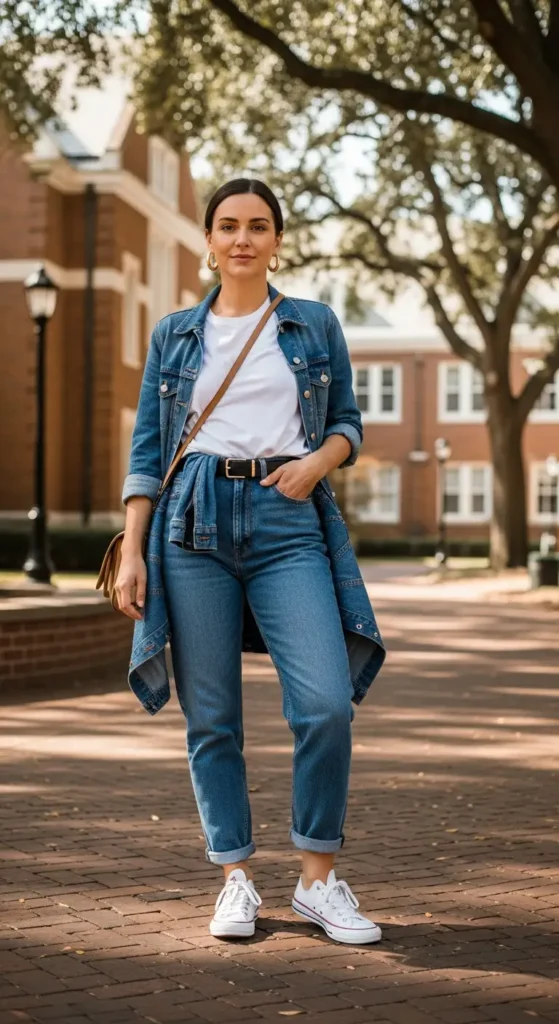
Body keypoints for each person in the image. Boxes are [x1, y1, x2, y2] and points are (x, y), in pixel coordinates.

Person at [116, 178, 386, 944]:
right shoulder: (174, 333)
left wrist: (316, 463)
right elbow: (147, 452)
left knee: (324, 704)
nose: (242, 238)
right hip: (191, 524)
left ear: (276, 241)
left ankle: (317, 881)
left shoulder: (312, 323)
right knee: (212, 720)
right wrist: (132, 549)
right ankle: (234, 878)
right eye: (228, 225)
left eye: (258, 226)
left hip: (286, 520)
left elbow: (346, 422)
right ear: (208, 240)